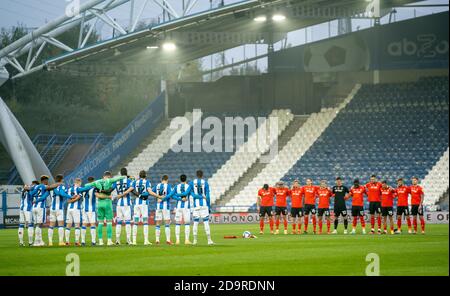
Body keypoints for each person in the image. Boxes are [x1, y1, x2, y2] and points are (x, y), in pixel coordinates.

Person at [84, 171, 126, 246]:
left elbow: (87, 185)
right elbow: (118, 178)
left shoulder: (97, 182)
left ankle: (100, 241)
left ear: (103, 176)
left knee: (100, 223)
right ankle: (109, 240)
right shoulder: (109, 180)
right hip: (107, 203)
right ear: (109, 176)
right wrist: (125, 176)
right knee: (109, 222)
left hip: (100, 203)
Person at [127, 170, 162, 245]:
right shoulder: (147, 182)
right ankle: (146, 240)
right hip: (144, 204)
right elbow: (150, 192)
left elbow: (130, 190)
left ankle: (134, 241)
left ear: (139, 175)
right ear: (145, 175)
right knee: (145, 222)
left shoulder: (135, 182)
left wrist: (123, 194)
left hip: (136, 203)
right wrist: (158, 196)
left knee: (135, 222)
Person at [26, 175, 62, 246]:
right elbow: (50, 187)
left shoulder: (35, 187)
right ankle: (37, 242)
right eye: (47, 181)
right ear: (44, 180)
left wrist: (33, 198)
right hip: (40, 207)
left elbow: (30, 192)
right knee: (39, 225)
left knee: (37, 224)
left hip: (34, 207)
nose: (47, 182)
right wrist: (58, 184)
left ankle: (39, 240)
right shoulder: (43, 186)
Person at [190, 170, 214, 245]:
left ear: (196, 175)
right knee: (206, 222)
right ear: (202, 175)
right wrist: (209, 206)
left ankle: (195, 240)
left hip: (196, 206)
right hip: (204, 205)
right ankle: (209, 240)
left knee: (195, 223)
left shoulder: (191, 183)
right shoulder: (205, 183)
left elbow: (192, 194)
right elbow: (208, 196)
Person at [168, 174, 193, 245]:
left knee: (178, 224)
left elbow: (172, 195)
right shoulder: (188, 186)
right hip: (186, 207)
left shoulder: (177, 186)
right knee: (187, 224)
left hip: (178, 206)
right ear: (186, 179)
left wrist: (179, 199)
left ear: (180, 179)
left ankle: (177, 241)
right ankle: (187, 240)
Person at [65, 178, 90, 246]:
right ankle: (77, 241)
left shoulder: (69, 189)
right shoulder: (79, 189)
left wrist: (71, 200)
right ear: (79, 182)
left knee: (68, 225)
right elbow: (86, 189)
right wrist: (92, 184)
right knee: (77, 225)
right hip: (76, 209)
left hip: (69, 209)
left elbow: (68, 201)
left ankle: (67, 241)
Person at [48, 175, 72, 246]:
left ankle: (50, 242)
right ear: (61, 179)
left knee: (51, 225)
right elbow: (61, 193)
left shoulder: (51, 188)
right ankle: (61, 241)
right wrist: (70, 196)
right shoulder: (61, 186)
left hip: (52, 208)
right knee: (60, 225)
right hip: (59, 208)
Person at [113, 168, 133, 245]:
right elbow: (132, 188)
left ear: (120, 173)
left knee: (119, 222)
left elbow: (111, 188)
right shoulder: (128, 181)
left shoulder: (117, 181)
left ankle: (117, 240)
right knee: (128, 222)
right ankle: (128, 240)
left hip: (119, 203)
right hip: (127, 203)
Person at [153, 175, 173, 245]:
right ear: (167, 179)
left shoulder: (157, 185)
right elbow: (170, 195)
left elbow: (151, 192)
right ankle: (168, 240)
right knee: (167, 223)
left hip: (158, 206)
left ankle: (157, 240)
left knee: (158, 223)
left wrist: (158, 197)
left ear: (161, 179)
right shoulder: (168, 186)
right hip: (165, 206)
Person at [18, 180, 39, 246]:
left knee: (21, 225)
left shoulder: (23, 189)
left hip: (21, 208)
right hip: (27, 209)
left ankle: (21, 242)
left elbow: (26, 188)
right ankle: (30, 242)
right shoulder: (31, 189)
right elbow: (31, 191)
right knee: (30, 224)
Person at [81, 177, 98, 246]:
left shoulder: (83, 188)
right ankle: (93, 241)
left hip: (84, 208)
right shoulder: (93, 188)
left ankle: (83, 241)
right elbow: (97, 195)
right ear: (93, 181)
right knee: (92, 224)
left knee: (84, 224)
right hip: (91, 209)